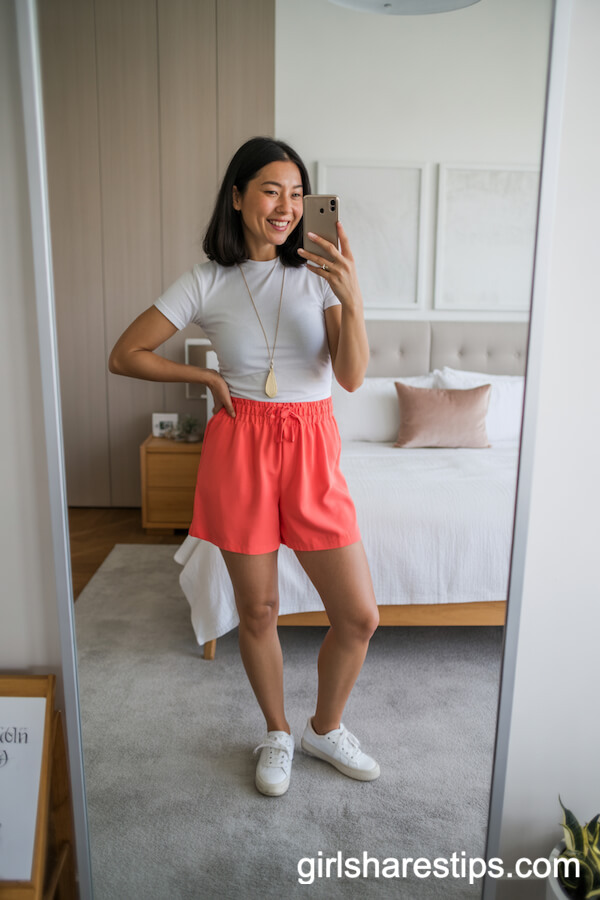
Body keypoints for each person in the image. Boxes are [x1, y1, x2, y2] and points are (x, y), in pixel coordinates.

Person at [109, 136, 380, 797]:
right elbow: (126, 353)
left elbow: (350, 377)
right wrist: (201, 378)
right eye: (270, 191)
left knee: (359, 616)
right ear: (237, 197)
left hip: (313, 446)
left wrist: (351, 293)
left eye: (297, 193)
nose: (286, 207)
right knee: (257, 610)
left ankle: (326, 726)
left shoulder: (320, 274)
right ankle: (278, 731)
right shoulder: (206, 279)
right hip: (242, 448)